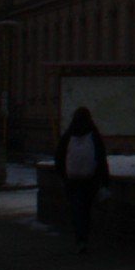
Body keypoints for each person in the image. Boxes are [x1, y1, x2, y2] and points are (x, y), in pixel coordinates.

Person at [54, 107, 110, 253]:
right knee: (86, 209)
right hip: (90, 180)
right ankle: (84, 238)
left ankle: (80, 239)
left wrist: (63, 176)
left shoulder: (68, 135)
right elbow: (101, 158)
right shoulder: (93, 134)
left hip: (72, 180)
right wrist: (104, 181)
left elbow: (59, 157)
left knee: (76, 209)